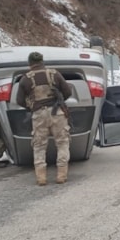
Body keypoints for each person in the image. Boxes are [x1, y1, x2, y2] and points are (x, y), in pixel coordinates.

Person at [16, 51, 72, 186]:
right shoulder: (54, 74)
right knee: (62, 143)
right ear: (42, 62)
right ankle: (61, 175)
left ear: (30, 64)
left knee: (39, 146)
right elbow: (68, 92)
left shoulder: (25, 78)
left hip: (39, 114)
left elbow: (19, 100)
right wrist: (59, 100)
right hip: (57, 112)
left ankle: (41, 178)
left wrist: (31, 106)